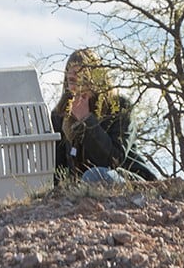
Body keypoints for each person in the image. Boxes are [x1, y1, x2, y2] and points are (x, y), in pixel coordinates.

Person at [51, 48, 157, 184]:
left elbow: (113, 160)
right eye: (72, 80)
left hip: (125, 178)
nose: (78, 87)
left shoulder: (119, 107)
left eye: (84, 80)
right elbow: (58, 169)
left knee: (95, 176)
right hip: (82, 187)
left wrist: (86, 120)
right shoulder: (59, 115)